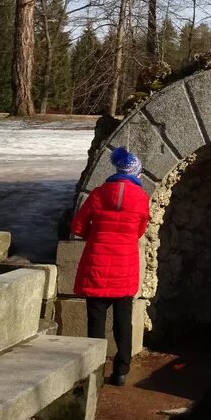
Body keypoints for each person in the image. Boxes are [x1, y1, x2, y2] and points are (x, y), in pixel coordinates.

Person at [70, 146, 150, 386]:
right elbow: (140, 230)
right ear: (136, 173)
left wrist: (94, 236)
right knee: (123, 321)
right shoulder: (140, 198)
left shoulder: (98, 193)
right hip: (124, 268)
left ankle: (93, 371)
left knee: (95, 322)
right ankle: (121, 370)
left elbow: (78, 226)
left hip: (97, 264)